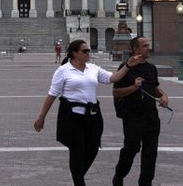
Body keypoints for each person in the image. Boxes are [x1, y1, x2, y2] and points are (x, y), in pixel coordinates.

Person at [33, 39, 140, 186]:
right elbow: (52, 95)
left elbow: (112, 78)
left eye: (88, 50)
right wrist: (41, 117)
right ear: (74, 54)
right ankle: (78, 180)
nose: (88, 53)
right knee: (76, 151)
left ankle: (77, 173)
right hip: (73, 117)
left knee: (93, 149)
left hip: (93, 116)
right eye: (85, 51)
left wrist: (128, 65)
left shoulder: (93, 68)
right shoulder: (63, 71)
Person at [112, 36, 169, 186]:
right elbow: (116, 92)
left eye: (148, 45)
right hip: (132, 116)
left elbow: (153, 87)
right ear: (135, 50)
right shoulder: (126, 68)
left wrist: (163, 95)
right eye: (144, 46)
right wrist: (134, 88)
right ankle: (119, 174)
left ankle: (145, 183)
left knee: (150, 153)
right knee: (131, 148)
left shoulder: (151, 68)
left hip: (151, 116)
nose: (148, 48)